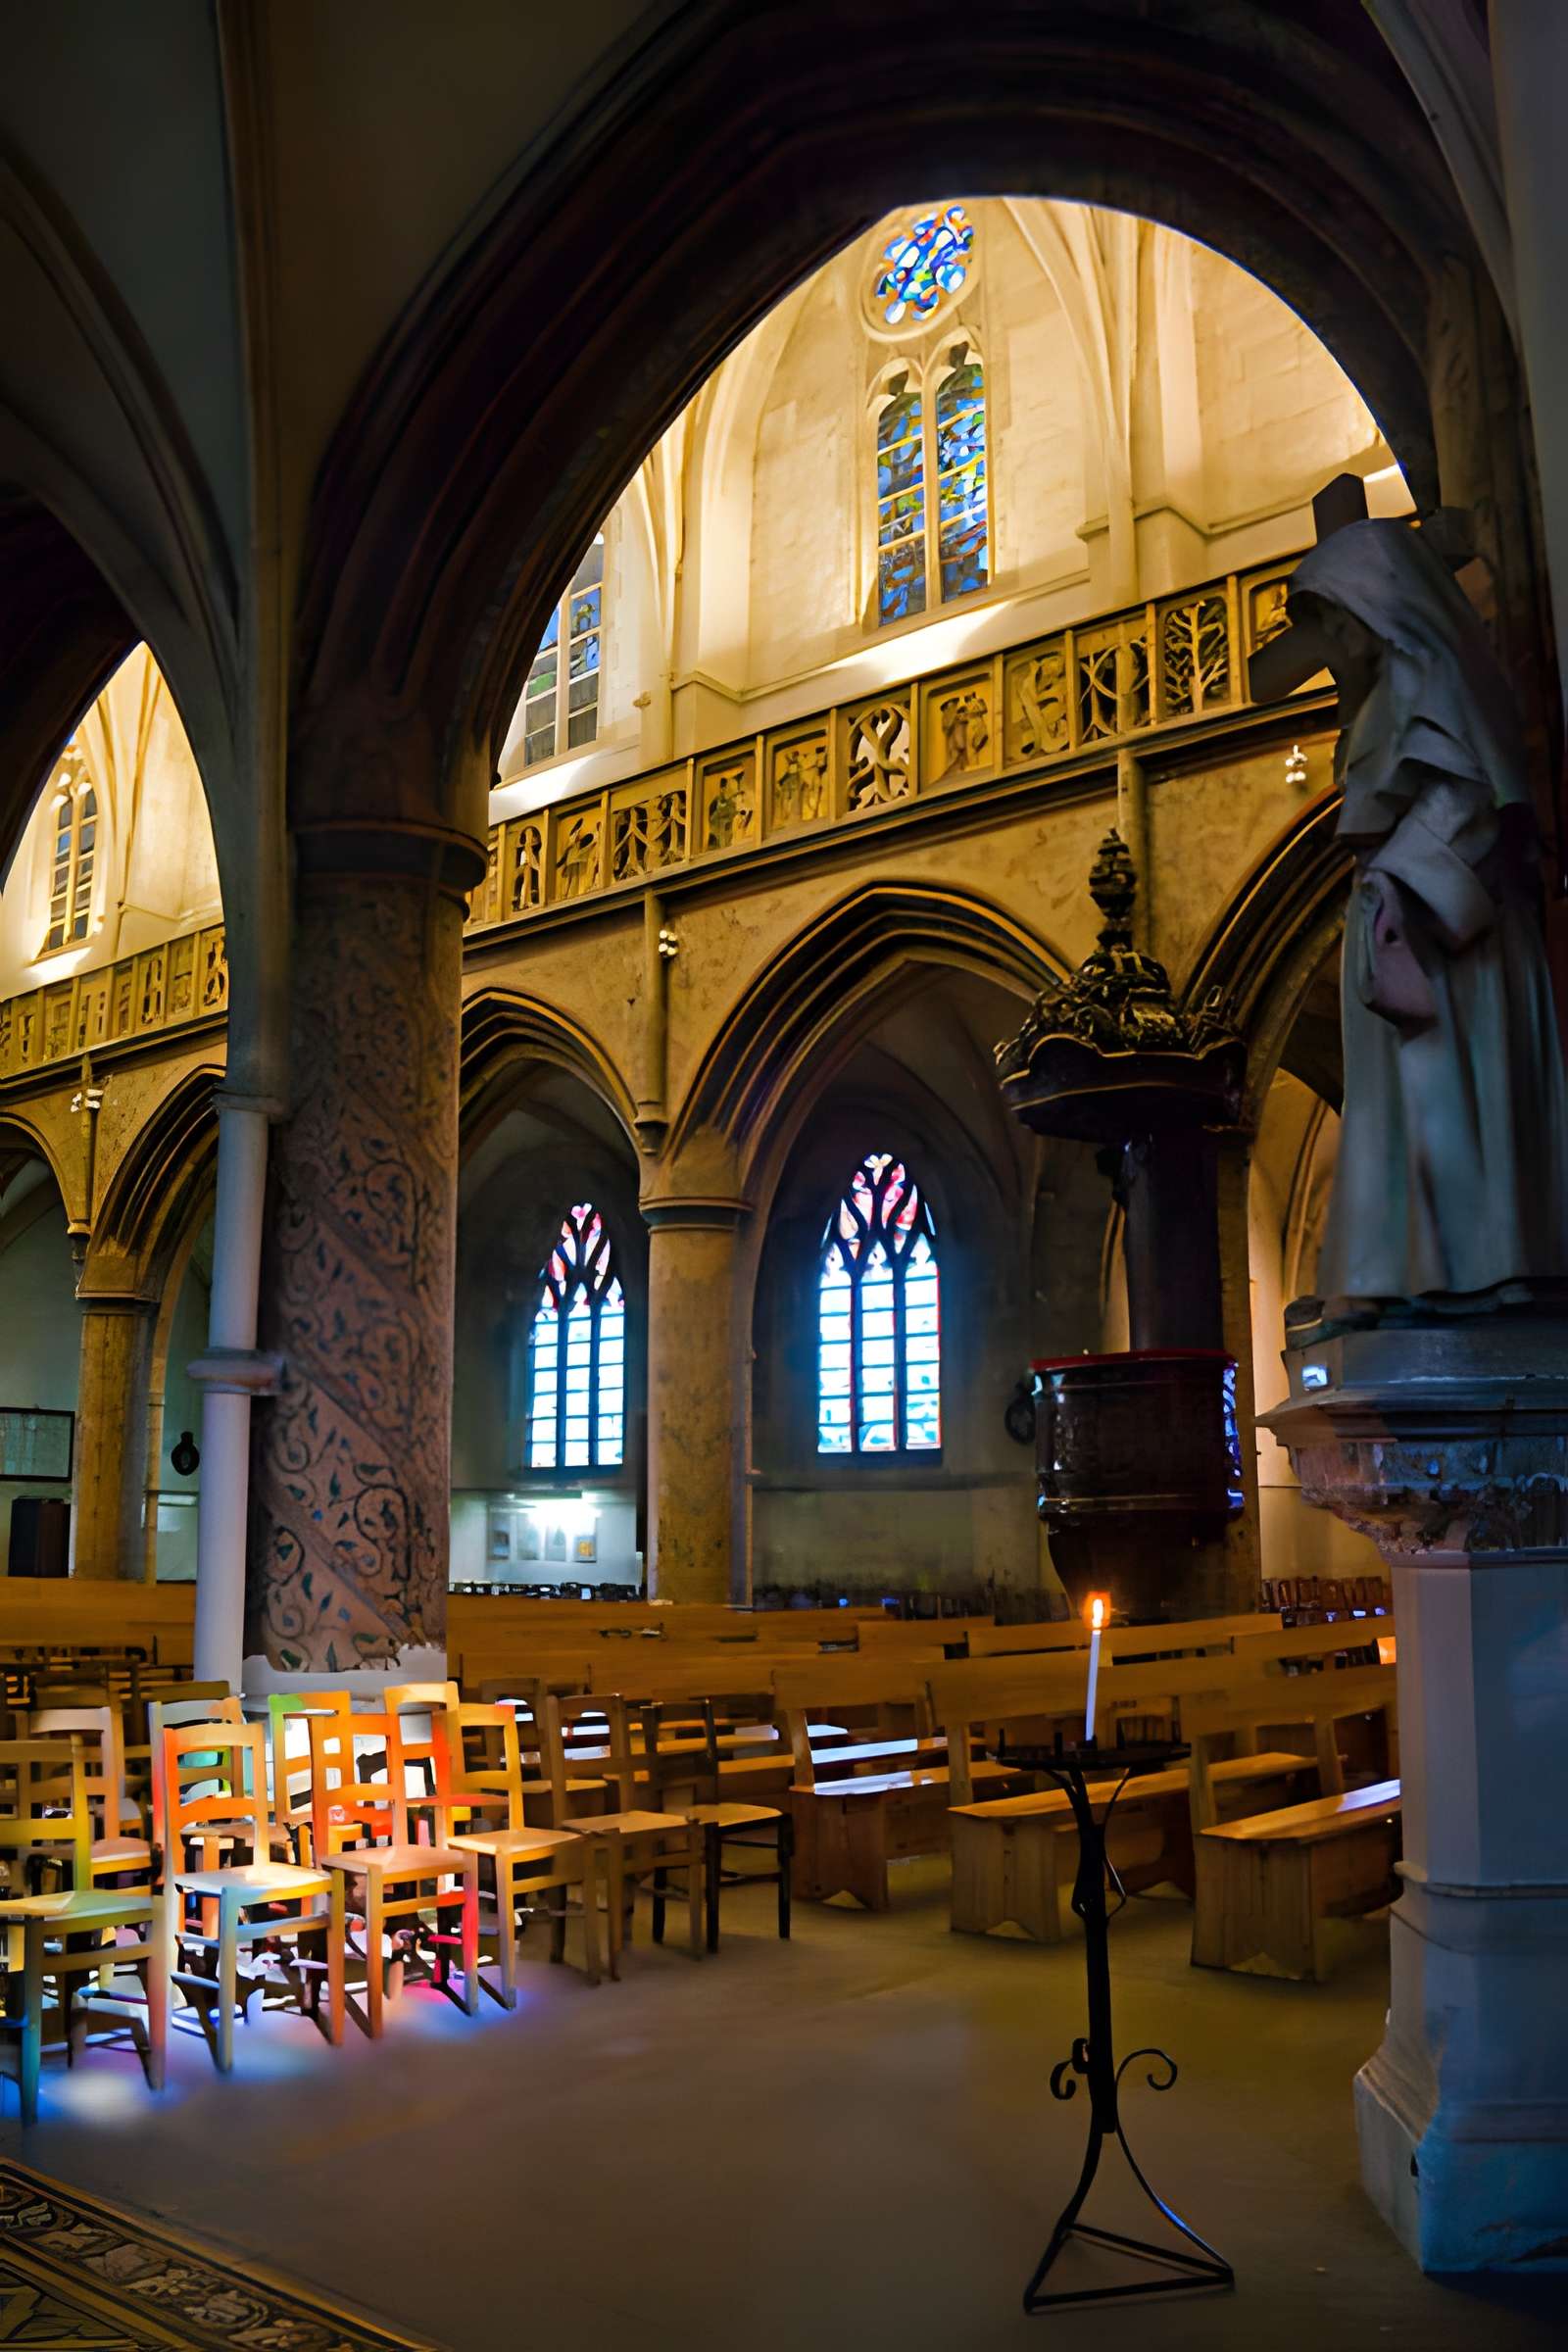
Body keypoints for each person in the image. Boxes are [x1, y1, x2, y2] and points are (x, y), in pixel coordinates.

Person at [1287, 516, 1568, 1305]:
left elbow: (1465, 798)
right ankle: (1422, 1271)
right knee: (1413, 1103)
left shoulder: (1427, 680)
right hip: (1405, 924)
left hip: (1445, 937)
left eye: (1337, 616)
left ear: (1375, 603)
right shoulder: (1397, 688)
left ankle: (1480, 1272)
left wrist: (1399, 884)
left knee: (1450, 1097)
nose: (1335, 638)